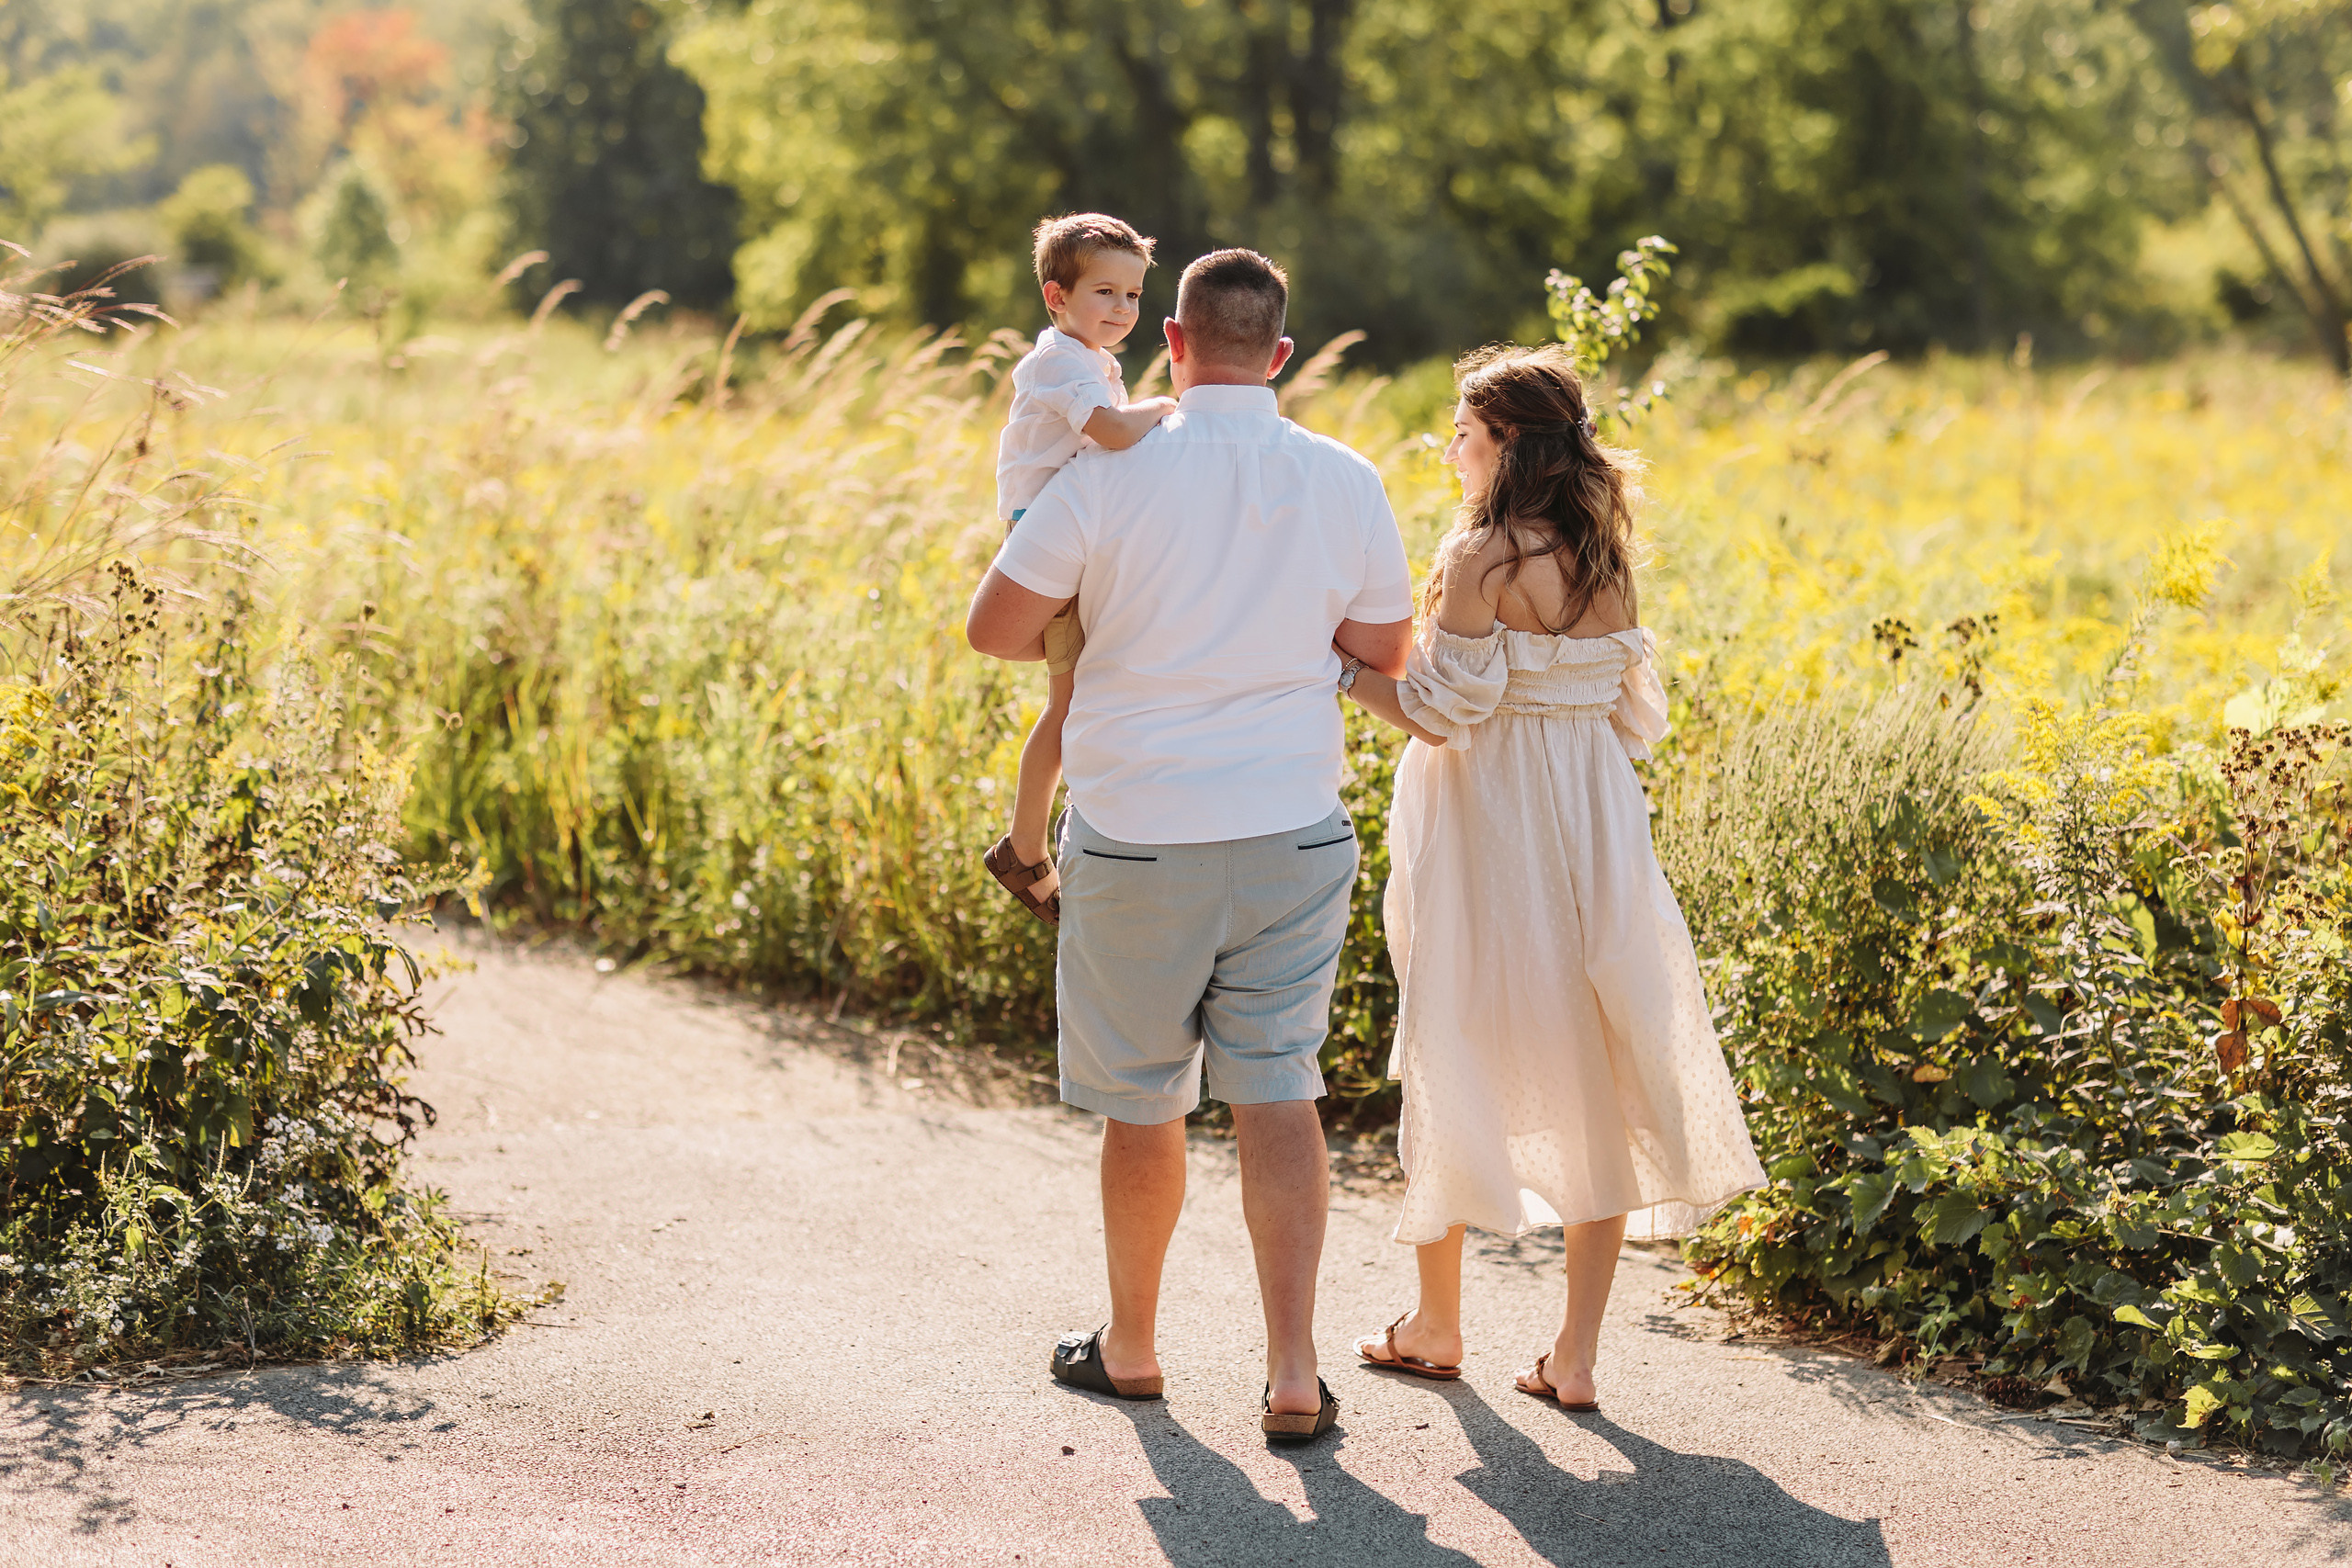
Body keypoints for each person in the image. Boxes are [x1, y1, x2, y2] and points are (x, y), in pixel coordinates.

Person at [966, 249, 1414, 1442]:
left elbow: (996, 627)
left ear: (1170, 341)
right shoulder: (1345, 475)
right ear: (1277, 354)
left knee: (1144, 1103)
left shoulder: (1102, 472)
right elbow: (1384, 649)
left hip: (1136, 838)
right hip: (1290, 830)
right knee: (1279, 1086)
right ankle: (1292, 1369)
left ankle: (1134, 1347)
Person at [1335, 344, 1765, 1410]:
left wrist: (1340, 667)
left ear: (1506, 444)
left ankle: (1437, 1324)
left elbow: (1441, 709)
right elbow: (1630, 716)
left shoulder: (1479, 553)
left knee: (1452, 1032)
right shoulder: (1602, 556)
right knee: (1598, 1056)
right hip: (1595, 824)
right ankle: (1572, 1358)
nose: (1447, 450)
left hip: (1490, 824)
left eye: (1461, 432)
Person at [982, 213, 1179, 927]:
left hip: (1075, 540)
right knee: (1066, 705)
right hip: (1049, 547)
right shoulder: (1059, 364)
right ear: (1055, 297)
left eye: (1132, 296)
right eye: (1105, 292)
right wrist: (1170, 405)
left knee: (1089, 693)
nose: (1123, 310)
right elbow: (1115, 434)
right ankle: (1024, 844)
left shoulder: (1090, 360)